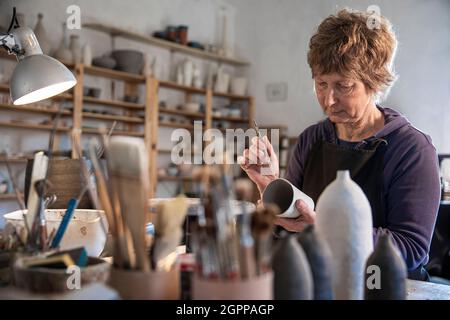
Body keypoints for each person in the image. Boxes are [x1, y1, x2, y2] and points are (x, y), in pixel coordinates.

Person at [238, 9, 441, 281]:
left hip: (384, 288)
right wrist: (272, 188)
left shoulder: (411, 149)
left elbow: (411, 249)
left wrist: (325, 226)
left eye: (343, 86)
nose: (328, 100)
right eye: (321, 83)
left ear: (375, 83)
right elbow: (287, 229)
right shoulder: (311, 139)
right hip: (319, 281)